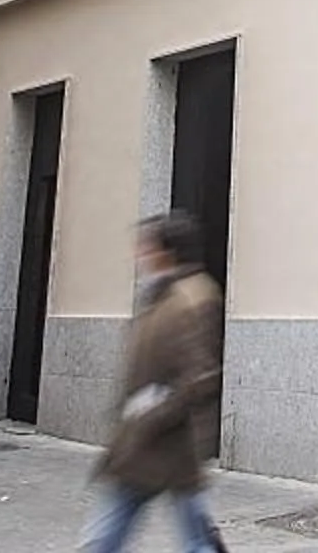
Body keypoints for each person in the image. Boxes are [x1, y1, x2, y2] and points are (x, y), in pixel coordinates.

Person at [83, 211, 224, 553]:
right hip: (151, 443)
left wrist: (153, 414)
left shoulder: (193, 298)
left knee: (105, 537)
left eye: (147, 246)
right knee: (194, 537)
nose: (140, 254)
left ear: (167, 251)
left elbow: (201, 376)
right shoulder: (163, 294)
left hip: (163, 442)